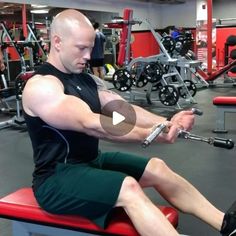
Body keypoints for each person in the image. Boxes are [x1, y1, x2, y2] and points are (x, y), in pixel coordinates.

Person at [22, 9, 236, 236]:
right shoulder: (42, 86)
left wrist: (166, 121)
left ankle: (226, 224)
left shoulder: (86, 79)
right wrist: (147, 133)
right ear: (57, 42)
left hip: (90, 163)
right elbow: (92, 123)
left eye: (90, 48)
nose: (88, 56)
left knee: (157, 168)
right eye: (81, 48)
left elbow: (121, 111)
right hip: (56, 178)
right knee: (128, 188)